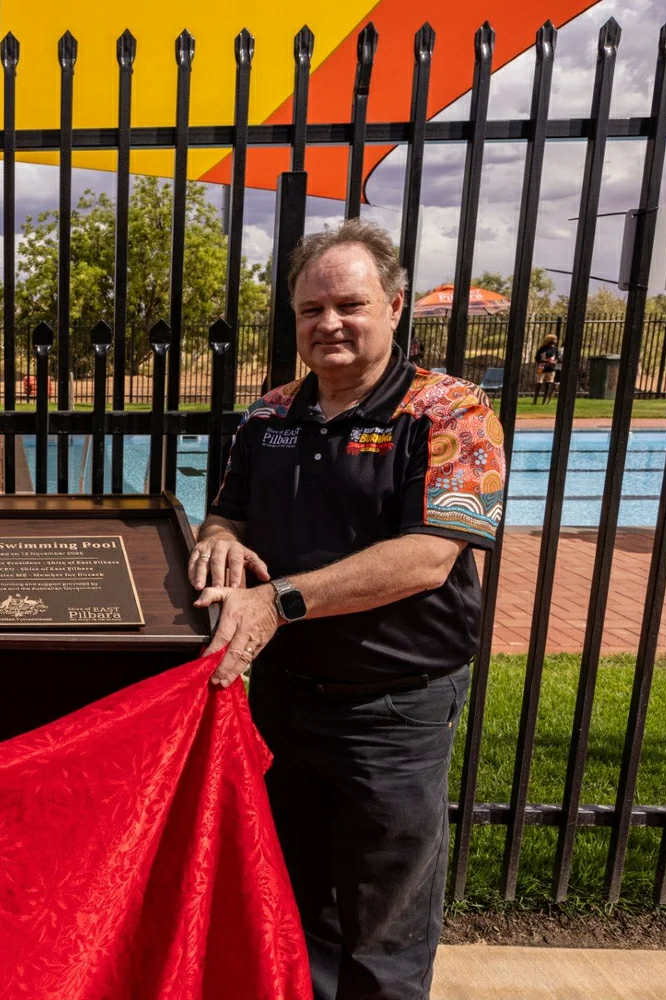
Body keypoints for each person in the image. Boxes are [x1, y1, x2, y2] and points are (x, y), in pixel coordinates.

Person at [189, 219, 505, 1000]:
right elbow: (228, 512)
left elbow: (431, 555)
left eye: (350, 304)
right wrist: (220, 541)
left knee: (382, 916)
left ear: (395, 307)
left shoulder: (451, 413)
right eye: (310, 309)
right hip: (284, 700)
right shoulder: (269, 417)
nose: (329, 323)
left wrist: (279, 600)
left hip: (393, 708)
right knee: (296, 901)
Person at [534, 332, 561, 404]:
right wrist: (545, 360)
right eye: (554, 339)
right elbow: (537, 358)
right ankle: (535, 400)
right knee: (539, 383)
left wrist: (554, 362)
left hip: (551, 368)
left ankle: (544, 401)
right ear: (550, 340)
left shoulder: (555, 349)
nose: (556, 341)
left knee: (548, 384)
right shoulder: (542, 348)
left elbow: (558, 358)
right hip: (542, 366)